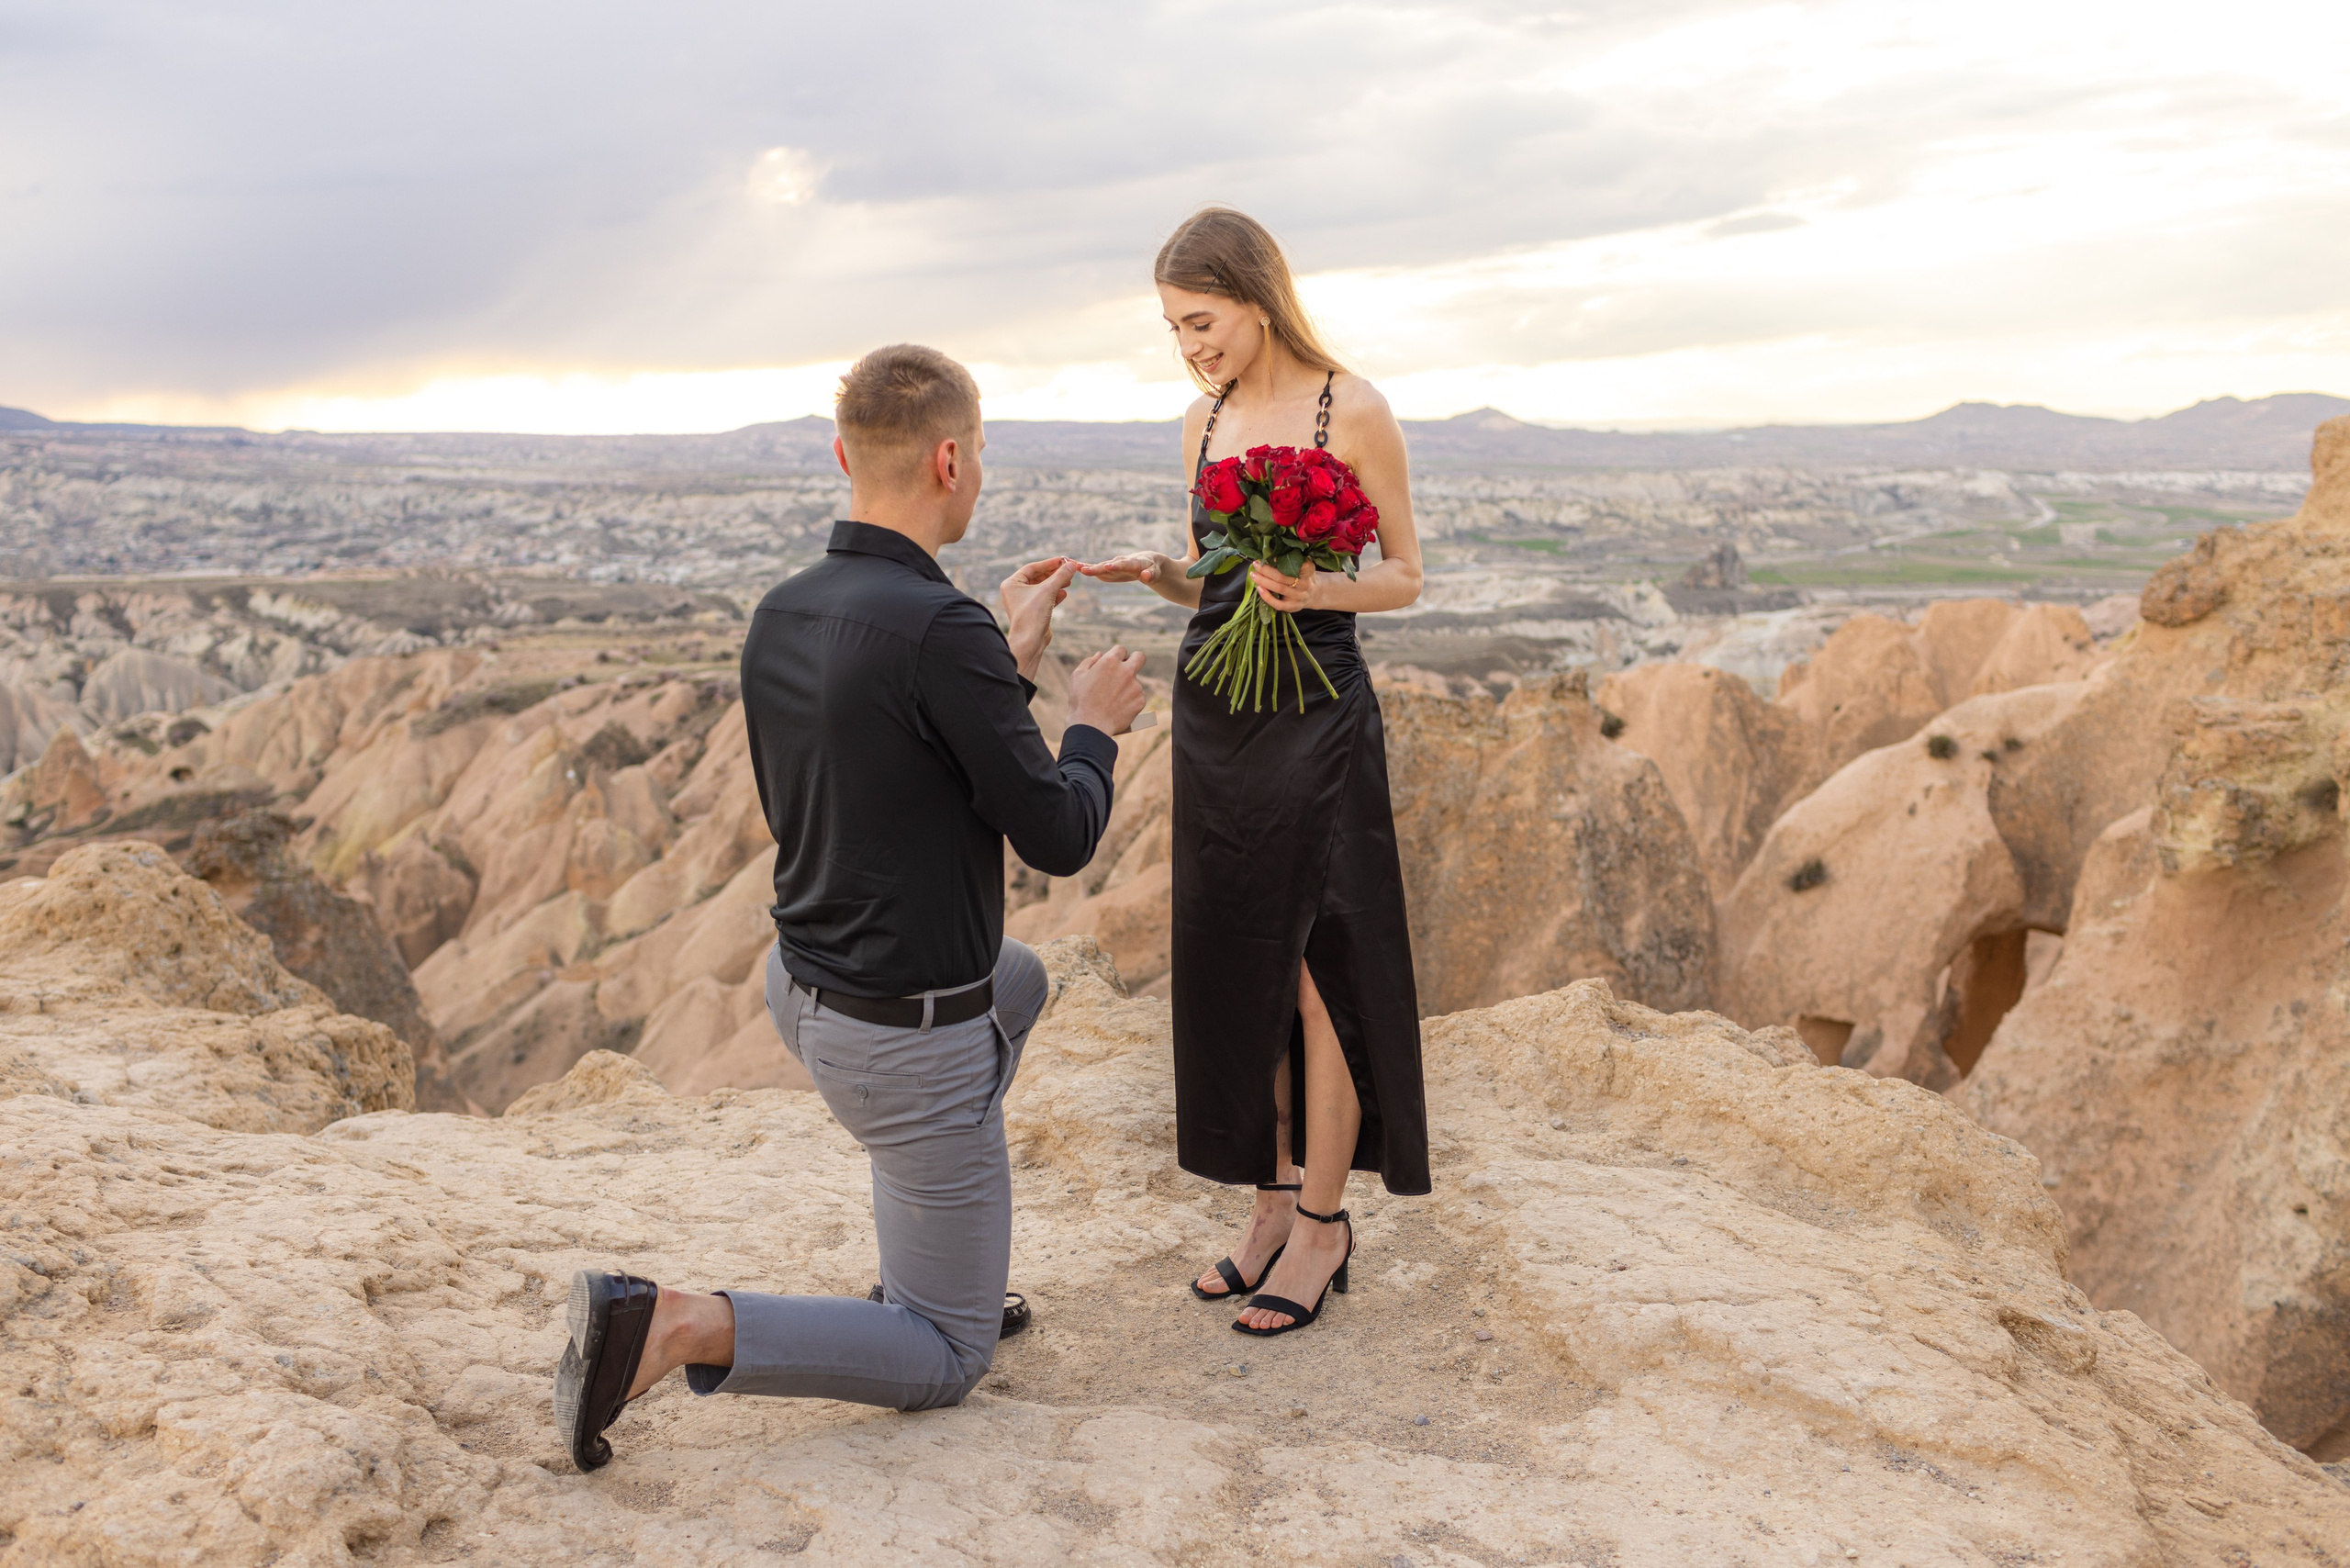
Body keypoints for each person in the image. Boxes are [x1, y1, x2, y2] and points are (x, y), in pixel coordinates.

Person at [555, 343, 1148, 1470]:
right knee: (947, 1354)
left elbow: (894, 759)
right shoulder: (941, 631)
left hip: (804, 987)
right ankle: (676, 1323)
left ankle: (925, 1240)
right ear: (951, 459)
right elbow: (1059, 835)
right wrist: (1093, 726)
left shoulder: (786, 609)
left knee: (1020, 983)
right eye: (979, 456)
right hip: (900, 1037)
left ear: (842, 455)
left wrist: (1004, 658)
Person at [1080, 207, 1429, 1337]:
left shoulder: (1355, 408)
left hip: (1317, 716)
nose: (1192, 346)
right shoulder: (1203, 419)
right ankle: (1272, 1200)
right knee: (1245, 966)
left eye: (1202, 320)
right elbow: (1217, 582)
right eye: (1176, 330)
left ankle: (1326, 1222)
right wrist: (1166, 576)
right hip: (1218, 712)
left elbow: (1406, 575)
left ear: (1255, 295)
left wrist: (1322, 589)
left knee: (1318, 963)